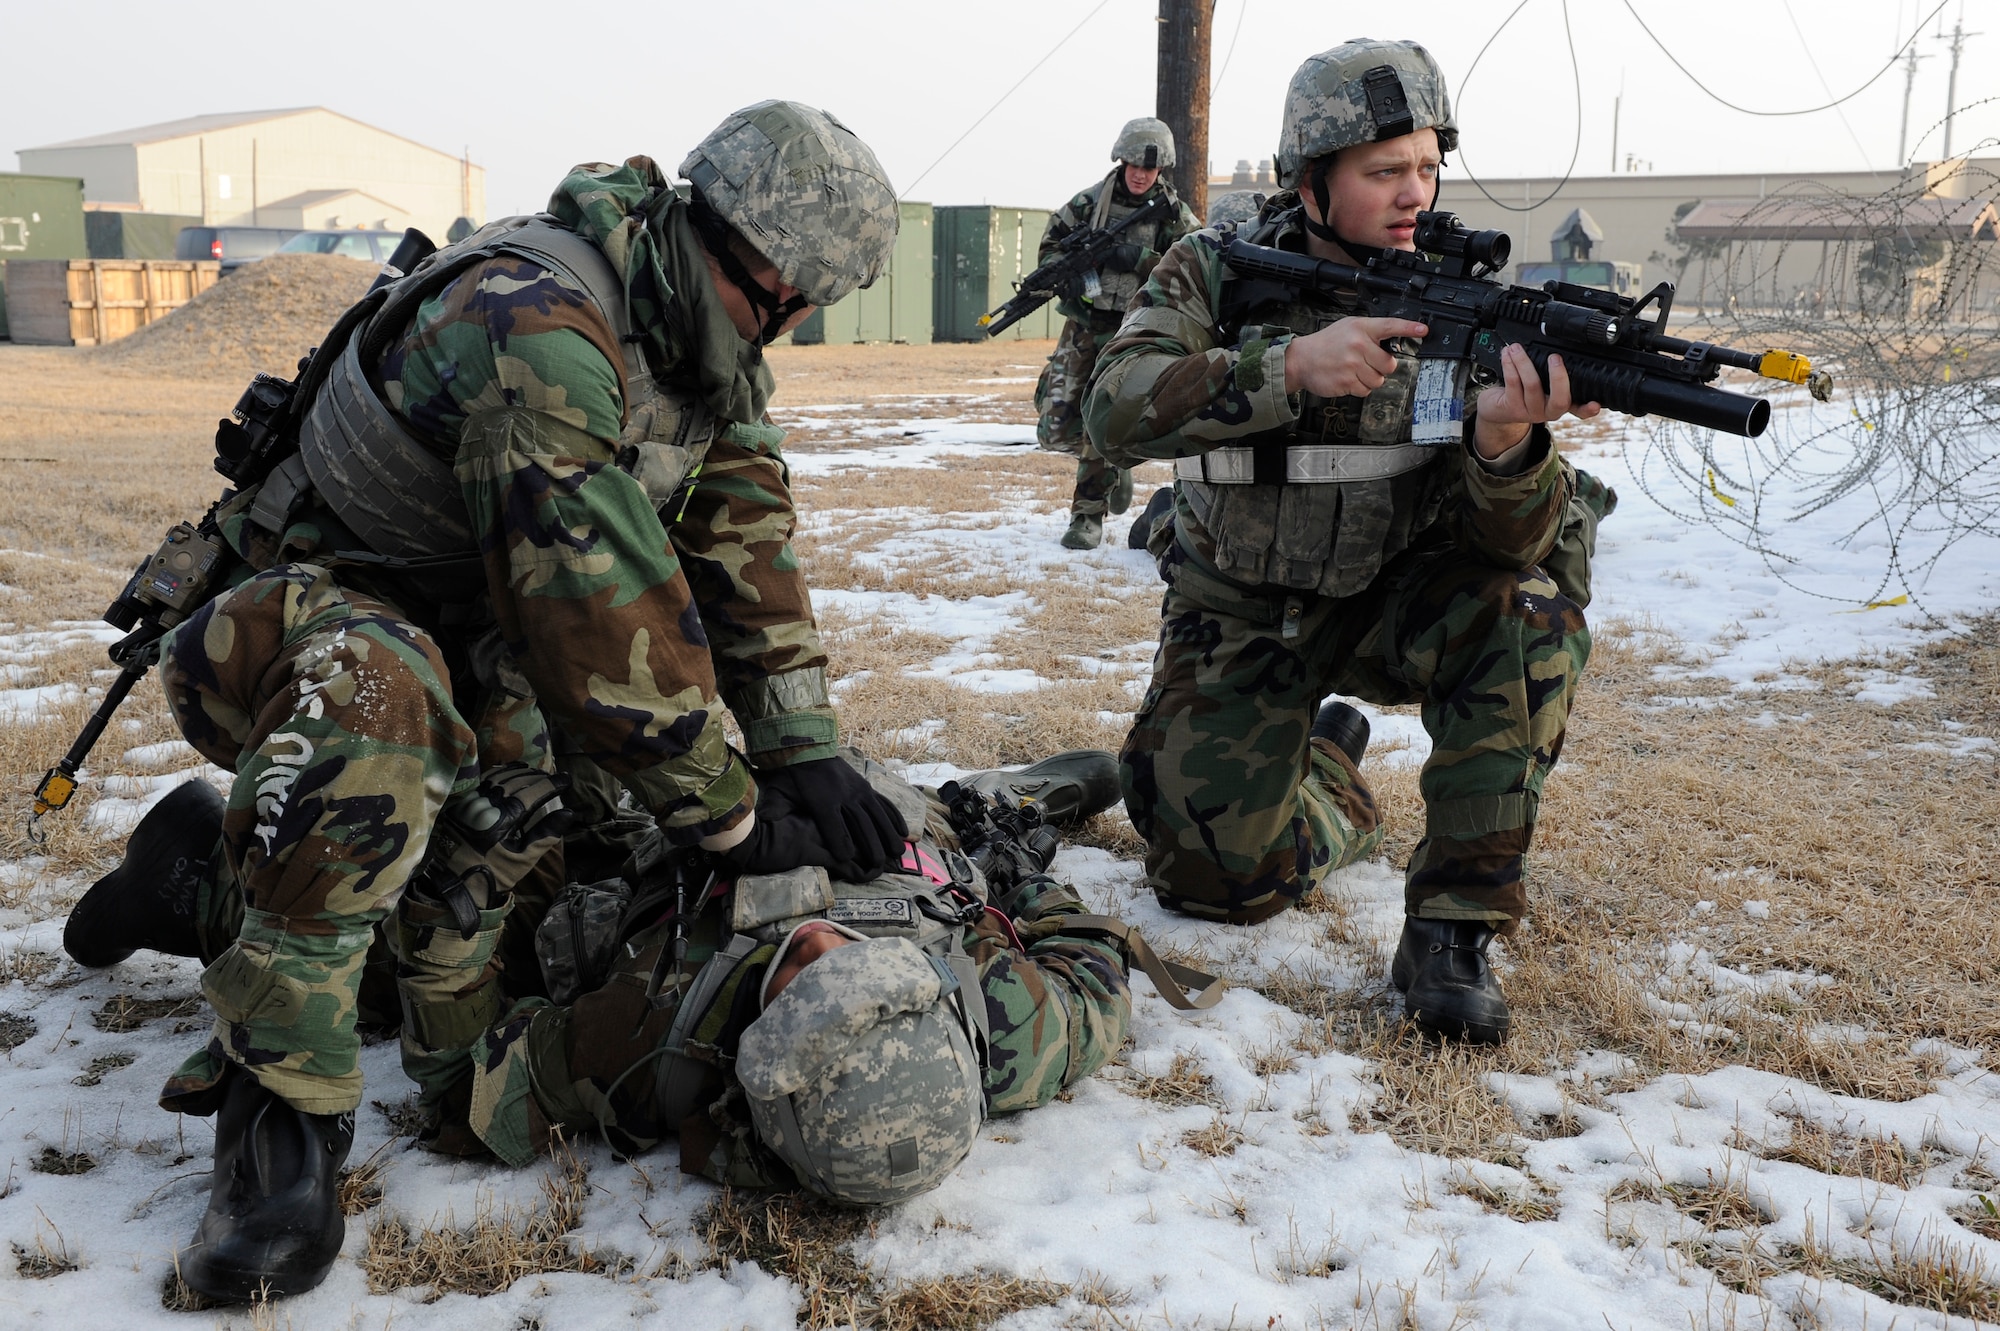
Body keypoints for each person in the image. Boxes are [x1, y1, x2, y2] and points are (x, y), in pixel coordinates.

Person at [62, 101, 910, 1303]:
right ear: (762, 269)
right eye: (799, 298)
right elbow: (593, 614)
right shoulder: (535, 325)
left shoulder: (695, 341)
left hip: (469, 654)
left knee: (520, 893)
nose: (800, 323)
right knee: (382, 698)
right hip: (299, 635)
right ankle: (278, 1124)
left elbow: (741, 534)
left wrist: (799, 745)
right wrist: (728, 815)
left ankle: (194, 877)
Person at [1085, 40, 1615, 1047]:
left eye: (1424, 166)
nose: (1412, 192)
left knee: (1527, 617)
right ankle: (1331, 769)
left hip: (1389, 601)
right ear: (1310, 180)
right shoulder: (1213, 266)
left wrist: (1504, 441)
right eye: (1383, 171)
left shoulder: (1468, 299)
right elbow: (1107, 409)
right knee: (1213, 886)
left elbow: (1516, 544)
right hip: (1239, 607)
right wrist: (1288, 365)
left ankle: (1451, 933)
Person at [1034, 118, 1200, 551]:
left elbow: (1195, 268)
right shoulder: (1089, 204)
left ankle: (1087, 516)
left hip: (1133, 330)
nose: (1140, 175)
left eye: (1149, 168)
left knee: (1097, 423)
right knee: (1055, 428)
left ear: (1161, 169)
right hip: (1085, 324)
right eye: (1132, 165)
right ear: (1121, 160)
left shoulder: (1175, 216)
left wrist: (1140, 259)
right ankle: (1115, 465)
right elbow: (1050, 246)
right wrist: (1066, 277)